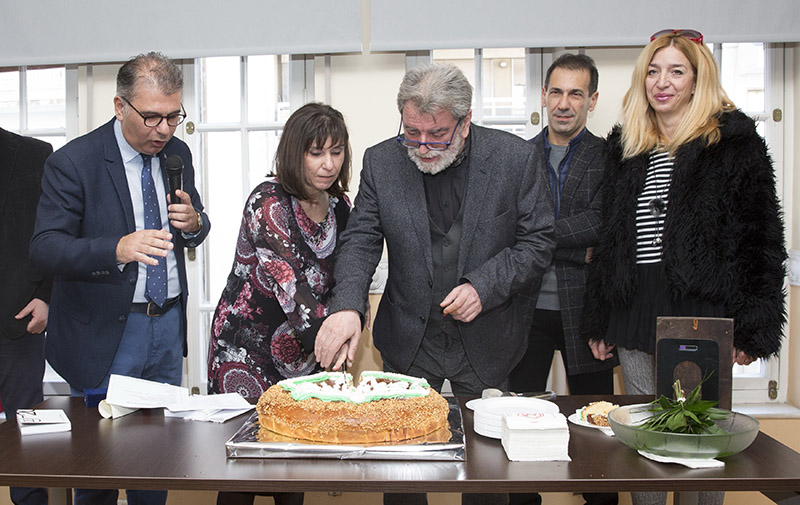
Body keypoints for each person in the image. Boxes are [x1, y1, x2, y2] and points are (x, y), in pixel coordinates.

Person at [315, 62, 555, 505]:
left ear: (465, 122)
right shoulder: (382, 161)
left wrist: (484, 286)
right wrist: (347, 305)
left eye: (437, 134)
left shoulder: (515, 159)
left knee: (486, 474)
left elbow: (538, 242)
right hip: (409, 339)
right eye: (412, 132)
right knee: (402, 474)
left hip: (486, 342)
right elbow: (361, 240)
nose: (423, 146)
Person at [582, 29, 786, 505]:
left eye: (676, 71)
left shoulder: (733, 144)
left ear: (698, 79)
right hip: (634, 312)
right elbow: (610, 240)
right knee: (645, 450)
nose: (662, 82)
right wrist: (600, 316)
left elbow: (762, 239)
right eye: (653, 71)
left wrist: (753, 329)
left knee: (699, 452)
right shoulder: (627, 145)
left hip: (702, 313)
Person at [30, 52, 210, 505]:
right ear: (119, 106)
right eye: (151, 117)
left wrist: (195, 224)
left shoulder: (179, 154)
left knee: (156, 461)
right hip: (104, 331)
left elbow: (194, 225)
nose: (163, 129)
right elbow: (46, 246)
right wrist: (116, 248)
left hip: (166, 325)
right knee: (99, 469)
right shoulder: (74, 162)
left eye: (173, 116)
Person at [208, 102, 351, 505]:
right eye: (316, 152)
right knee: (242, 472)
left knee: (293, 470)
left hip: (306, 352)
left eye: (336, 152)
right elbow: (291, 286)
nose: (328, 164)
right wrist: (335, 349)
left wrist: (347, 326)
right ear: (294, 152)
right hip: (245, 351)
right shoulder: (267, 200)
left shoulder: (341, 207)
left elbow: (348, 278)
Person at [509, 54, 618, 505]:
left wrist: (536, 236)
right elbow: (508, 228)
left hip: (589, 317)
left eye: (576, 93)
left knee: (598, 436)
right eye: (556, 91)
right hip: (525, 313)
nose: (564, 103)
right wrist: (576, 248)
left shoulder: (610, 157)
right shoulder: (518, 156)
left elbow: (603, 220)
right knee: (519, 429)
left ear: (592, 100)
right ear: (543, 96)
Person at [0, 127, 53, 505]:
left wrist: (47, 297)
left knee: (27, 443)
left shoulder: (34, 154)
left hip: (18, 320)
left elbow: (54, 232)